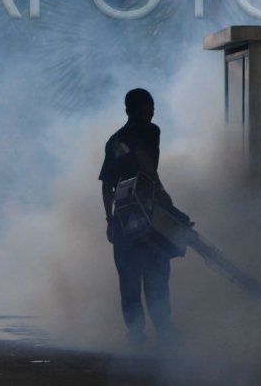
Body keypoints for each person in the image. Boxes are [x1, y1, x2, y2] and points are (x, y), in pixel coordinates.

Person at [99, 88, 179, 346]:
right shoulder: (149, 130)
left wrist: (110, 222)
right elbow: (145, 160)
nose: (152, 111)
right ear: (136, 110)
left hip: (123, 218)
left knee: (129, 282)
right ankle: (165, 335)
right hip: (148, 215)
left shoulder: (114, 140)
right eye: (148, 107)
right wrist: (161, 191)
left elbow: (106, 185)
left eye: (152, 106)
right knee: (156, 278)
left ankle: (136, 336)